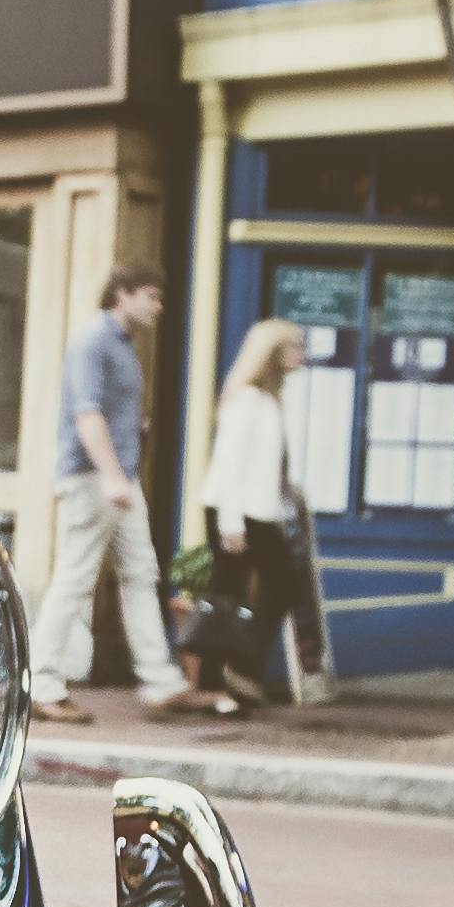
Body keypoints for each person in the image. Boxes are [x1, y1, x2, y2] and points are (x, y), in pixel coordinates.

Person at [36, 255, 235, 721]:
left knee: (141, 574)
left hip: (119, 479)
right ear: (122, 293)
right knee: (74, 580)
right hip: (93, 479)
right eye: (151, 295)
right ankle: (42, 684)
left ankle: (161, 683)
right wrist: (109, 474)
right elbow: (87, 414)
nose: (158, 306)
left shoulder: (122, 345)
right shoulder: (92, 342)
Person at [191, 316, 318, 708]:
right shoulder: (248, 399)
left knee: (242, 591)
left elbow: (265, 465)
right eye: (294, 346)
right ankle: (230, 674)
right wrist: (231, 523)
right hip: (238, 512)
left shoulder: (269, 400)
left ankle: (225, 675)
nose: (302, 354)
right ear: (272, 355)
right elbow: (228, 463)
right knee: (245, 591)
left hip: (260, 511)